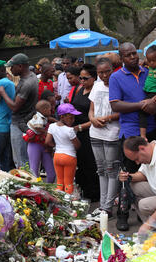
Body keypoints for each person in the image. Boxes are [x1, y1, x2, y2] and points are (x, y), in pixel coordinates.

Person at [109, 42, 156, 174]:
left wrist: (155, 107)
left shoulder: (150, 71)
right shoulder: (115, 77)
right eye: (128, 55)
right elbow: (115, 104)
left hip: (154, 130)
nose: (133, 57)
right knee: (133, 174)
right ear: (121, 59)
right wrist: (141, 104)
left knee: (155, 173)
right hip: (131, 134)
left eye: (134, 53)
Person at [87, 58, 121, 221]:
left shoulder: (118, 83)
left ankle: (108, 207)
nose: (104, 75)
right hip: (95, 132)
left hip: (111, 133)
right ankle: (102, 206)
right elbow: (91, 109)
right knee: (101, 169)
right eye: (101, 72)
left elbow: (122, 111)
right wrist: (92, 119)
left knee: (111, 170)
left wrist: (107, 118)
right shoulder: (97, 85)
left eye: (107, 71)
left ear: (112, 69)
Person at [69, 63, 100, 202]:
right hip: (76, 131)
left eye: (85, 78)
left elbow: (96, 116)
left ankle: (94, 193)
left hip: (89, 131)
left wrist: (80, 127)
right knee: (80, 163)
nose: (82, 81)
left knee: (90, 163)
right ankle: (83, 191)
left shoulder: (97, 92)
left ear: (94, 78)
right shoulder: (79, 89)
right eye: (80, 78)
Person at [3, 53, 38, 169]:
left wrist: (2, 92)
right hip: (26, 121)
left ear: (20, 66)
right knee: (24, 160)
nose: (11, 70)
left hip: (19, 123)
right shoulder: (32, 76)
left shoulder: (27, 83)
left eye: (12, 67)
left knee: (21, 161)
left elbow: (14, 107)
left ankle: (26, 186)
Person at [119, 136, 156, 232]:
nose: (137, 163)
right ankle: (152, 229)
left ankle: (151, 227)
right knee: (132, 186)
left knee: (144, 205)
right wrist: (128, 177)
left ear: (142, 148)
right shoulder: (149, 153)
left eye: (137, 158)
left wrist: (149, 224)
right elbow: (143, 175)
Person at [45, 104, 82, 195]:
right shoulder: (69, 130)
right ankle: (68, 202)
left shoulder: (52, 126)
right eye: (71, 118)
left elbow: (47, 141)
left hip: (57, 156)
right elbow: (77, 145)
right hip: (69, 157)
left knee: (60, 181)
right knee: (68, 183)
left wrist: (56, 146)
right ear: (62, 116)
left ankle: (59, 202)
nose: (73, 120)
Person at [24, 100, 56, 183]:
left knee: (51, 173)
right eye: (50, 109)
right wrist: (46, 132)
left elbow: (48, 119)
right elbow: (38, 127)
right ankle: (37, 190)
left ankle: (47, 190)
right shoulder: (38, 118)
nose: (52, 110)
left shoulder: (44, 117)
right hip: (34, 144)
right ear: (44, 110)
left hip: (43, 146)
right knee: (34, 171)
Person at [139, 45, 156, 139]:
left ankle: (143, 135)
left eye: (153, 60)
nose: (151, 63)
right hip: (149, 93)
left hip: (155, 94)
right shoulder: (150, 64)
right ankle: (143, 135)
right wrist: (143, 62)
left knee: (144, 109)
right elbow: (146, 61)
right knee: (146, 112)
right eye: (149, 60)